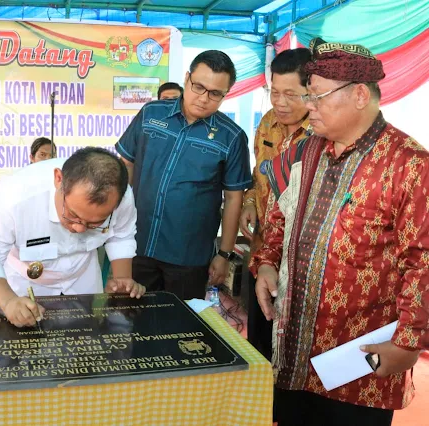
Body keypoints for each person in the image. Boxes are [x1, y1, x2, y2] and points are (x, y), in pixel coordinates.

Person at [250, 38, 429, 426]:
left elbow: (423, 262)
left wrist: (408, 343)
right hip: (295, 350)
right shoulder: (309, 149)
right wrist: (266, 263)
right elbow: (282, 211)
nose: (307, 107)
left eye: (316, 97)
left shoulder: (409, 164)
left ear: (359, 95)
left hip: (360, 365)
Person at [116, 50, 251, 300]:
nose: (203, 98)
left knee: (181, 328)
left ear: (225, 94)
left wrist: (224, 255)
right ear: (187, 78)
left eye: (215, 93)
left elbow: (234, 198)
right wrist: (117, 219)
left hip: (188, 256)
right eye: (198, 86)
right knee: (130, 321)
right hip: (137, 243)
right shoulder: (151, 114)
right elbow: (127, 164)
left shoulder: (231, 137)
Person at [0, 147, 145, 328]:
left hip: (82, 278)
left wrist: (122, 281)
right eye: (73, 215)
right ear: (58, 179)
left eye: (94, 223)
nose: (79, 229)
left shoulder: (120, 196)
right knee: (26, 345)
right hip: (24, 285)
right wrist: (8, 301)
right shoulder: (16, 196)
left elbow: (121, 235)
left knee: (84, 338)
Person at [239, 48, 312, 360]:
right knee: (258, 337)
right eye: (274, 92)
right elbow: (259, 172)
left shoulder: (319, 133)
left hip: (298, 261)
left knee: (290, 347)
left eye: (290, 95)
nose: (280, 103)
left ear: (313, 91)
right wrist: (250, 201)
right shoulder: (268, 122)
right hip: (261, 251)